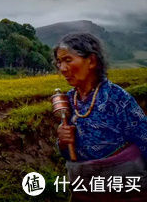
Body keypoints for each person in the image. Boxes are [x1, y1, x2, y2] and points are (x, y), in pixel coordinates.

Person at [54, 33, 147, 201]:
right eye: (59, 62)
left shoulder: (117, 98)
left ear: (91, 61)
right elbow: (68, 154)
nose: (62, 68)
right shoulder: (68, 100)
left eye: (68, 60)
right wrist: (62, 140)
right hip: (85, 188)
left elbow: (145, 139)